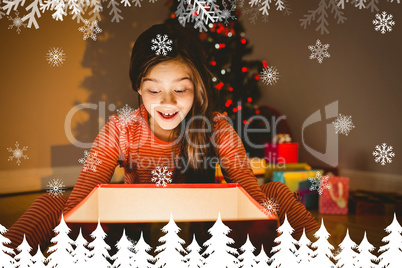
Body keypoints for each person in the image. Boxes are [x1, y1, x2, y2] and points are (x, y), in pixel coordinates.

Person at [4, 21, 319, 252]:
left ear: (197, 89)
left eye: (180, 89)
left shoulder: (215, 126)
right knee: (51, 203)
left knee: (274, 191)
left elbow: (251, 198)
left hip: (205, 235)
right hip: (131, 236)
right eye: (154, 90)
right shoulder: (120, 127)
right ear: (138, 88)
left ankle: (324, 255)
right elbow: (79, 203)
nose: (167, 103)